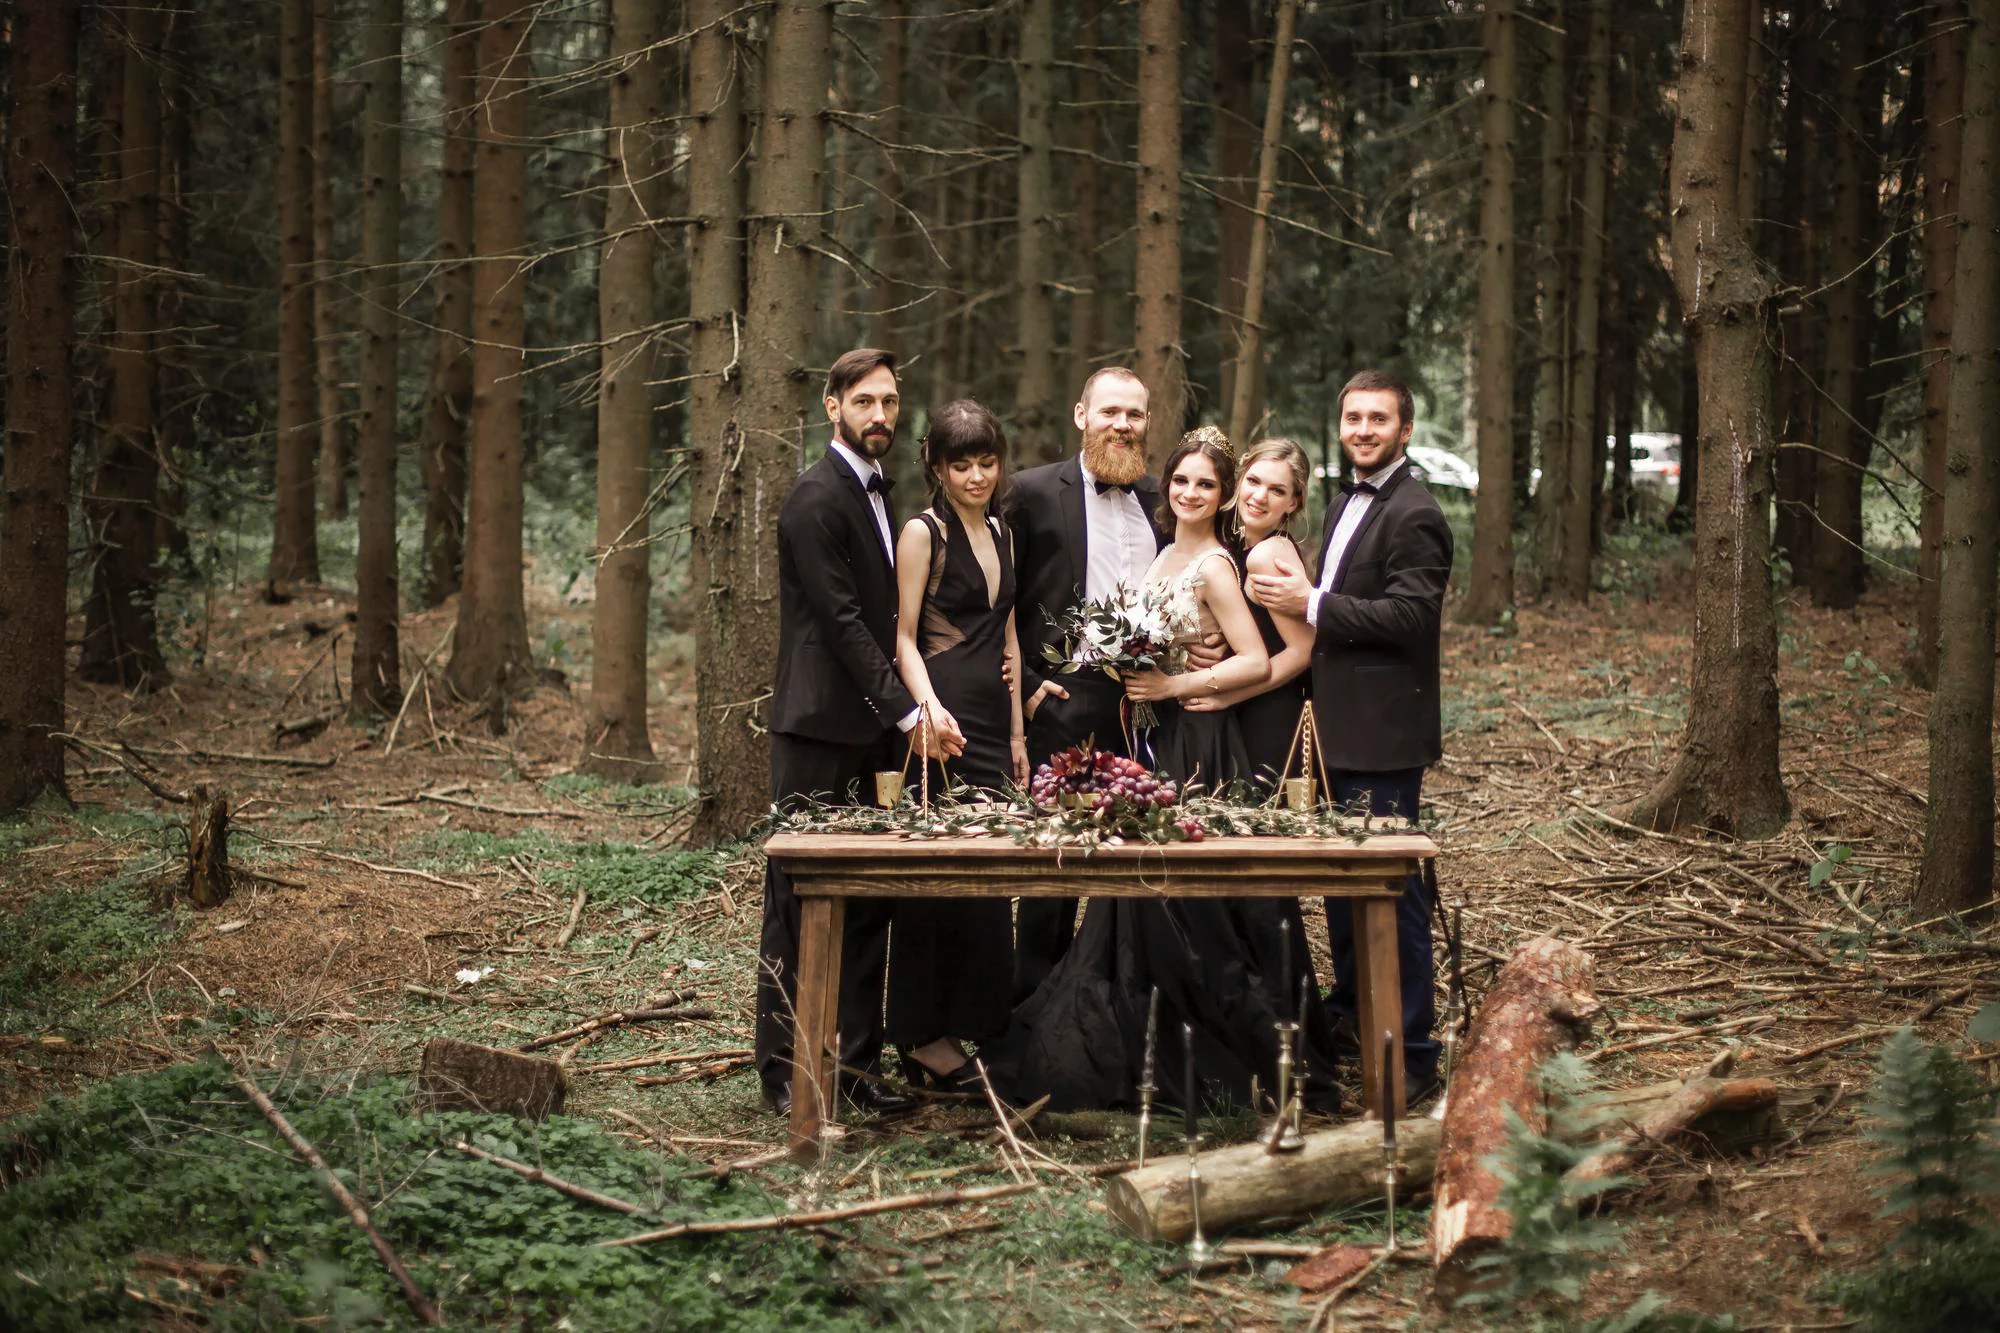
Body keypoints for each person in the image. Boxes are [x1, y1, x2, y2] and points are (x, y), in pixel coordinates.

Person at [991, 427, 1344, 1117]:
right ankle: (1143, 1028)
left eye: (1205, 484)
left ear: (1223, 495)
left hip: (1199, 742)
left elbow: (1251, 658)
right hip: (1156, 737)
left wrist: (1179, 687)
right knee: (1146, 891)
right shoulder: (1165, 553)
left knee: (1196, 893)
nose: (1189, 492)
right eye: (1180, 481)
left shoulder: (1215, 564)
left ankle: (1226, 1042)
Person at [755, 348, 960, 1121]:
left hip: (875, 734)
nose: (880, 415)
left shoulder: (881, 493)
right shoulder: (813, 498)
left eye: (890, 402)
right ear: (831, 406)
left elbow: (888, 622)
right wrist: (911, 711)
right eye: (864, 401)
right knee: (796, 901)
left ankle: (853, 1065)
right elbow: (841, 623)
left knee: (870, 900)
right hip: (816, 730)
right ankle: (783, 1069)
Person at [1247, 369, 1453, 1099]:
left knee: (1390, 897)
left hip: (1383, 738)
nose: (1363, 429)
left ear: (1405, 430)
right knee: (1342, 894)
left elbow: (1410, 618)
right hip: (1335, 735)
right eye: (1353, 417)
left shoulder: (1416, 512)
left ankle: (1415, 1057)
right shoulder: (1343, 504)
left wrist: (1313, 600)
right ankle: (1360, 1024)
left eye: (1378, 419)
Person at [1006, 367, 1165, 1002]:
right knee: (1058, 868)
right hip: (1064, 703)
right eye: (1110, 412)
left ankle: (1115, 1006)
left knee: (1136, 864)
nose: (1123, 425)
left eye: (1135, 414)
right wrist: (1029, 686)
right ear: (1081, 415)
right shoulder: (1031, 492)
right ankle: (1030, 1018)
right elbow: (1000, 599)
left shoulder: (1164, 496)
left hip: (1149, 707)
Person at [885, 400, 1025, 1090]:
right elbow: (903, 635)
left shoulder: (1002, 526)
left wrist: (1020, 730)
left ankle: (977, 1026)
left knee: (989, 874)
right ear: (937, 468)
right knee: (935, 874)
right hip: (940, 720)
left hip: (995, 723)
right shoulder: (922, 531)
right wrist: (927, 709)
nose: (976, 476)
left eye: (986, 462)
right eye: (961, 464)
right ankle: (920, 1038)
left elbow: (1010, 631)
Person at [1183, 438, 1316, 796]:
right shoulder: (1237, 546)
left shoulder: (1268, 554)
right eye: (1254, 481)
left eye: (1277, 490)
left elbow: (1302, 652)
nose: (1259, 496)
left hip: (1269, 712)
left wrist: (1231, 695)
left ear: (1293, 502)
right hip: (1245, 704)